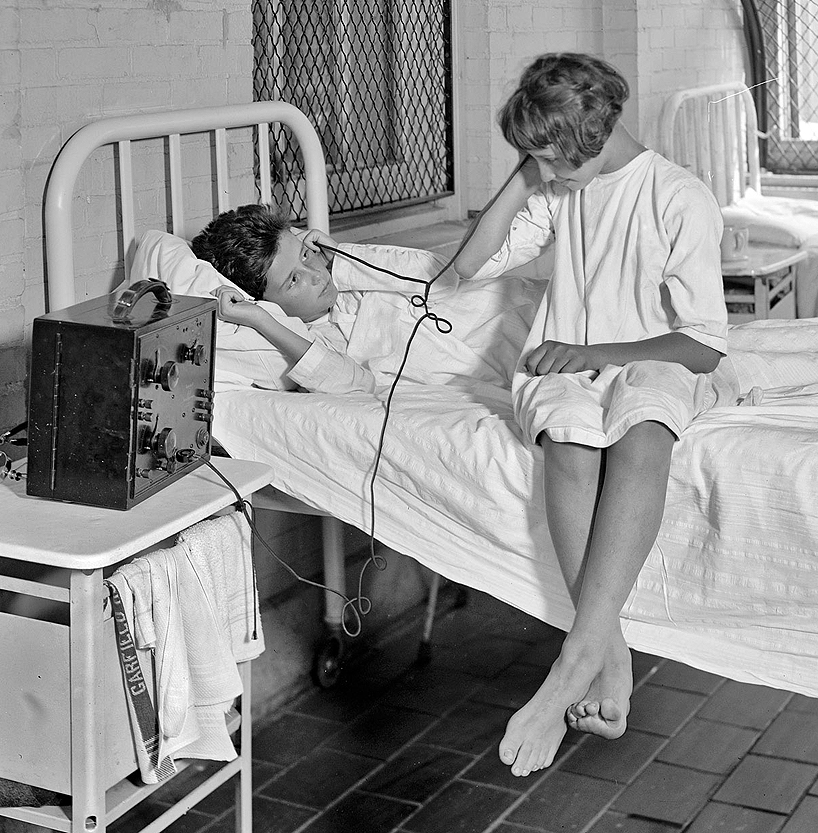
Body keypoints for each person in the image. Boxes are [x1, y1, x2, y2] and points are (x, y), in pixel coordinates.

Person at [452, 52, 740, 778]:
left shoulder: (677, 196)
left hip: (654, 356)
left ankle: (572, 660)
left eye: (551, 158)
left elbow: (703, 345)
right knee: (570, 438)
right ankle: (608, 654)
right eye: (534, 161)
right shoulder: (558, 187)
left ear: (592, 136)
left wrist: (591, 347)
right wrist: (527, 173)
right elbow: (468, 264)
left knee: (642, 427)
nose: (544, 173)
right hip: (565, 360)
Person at [190, 204, 542, 397]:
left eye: (305, 254)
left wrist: (340, 255)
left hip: (533, 306)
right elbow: (354, 382)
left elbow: (434, 273)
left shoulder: (347, 274)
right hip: (522, 354)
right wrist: (262, 320)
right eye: (293, 280)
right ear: (265, 302)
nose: (315, 274)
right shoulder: (317, 340)